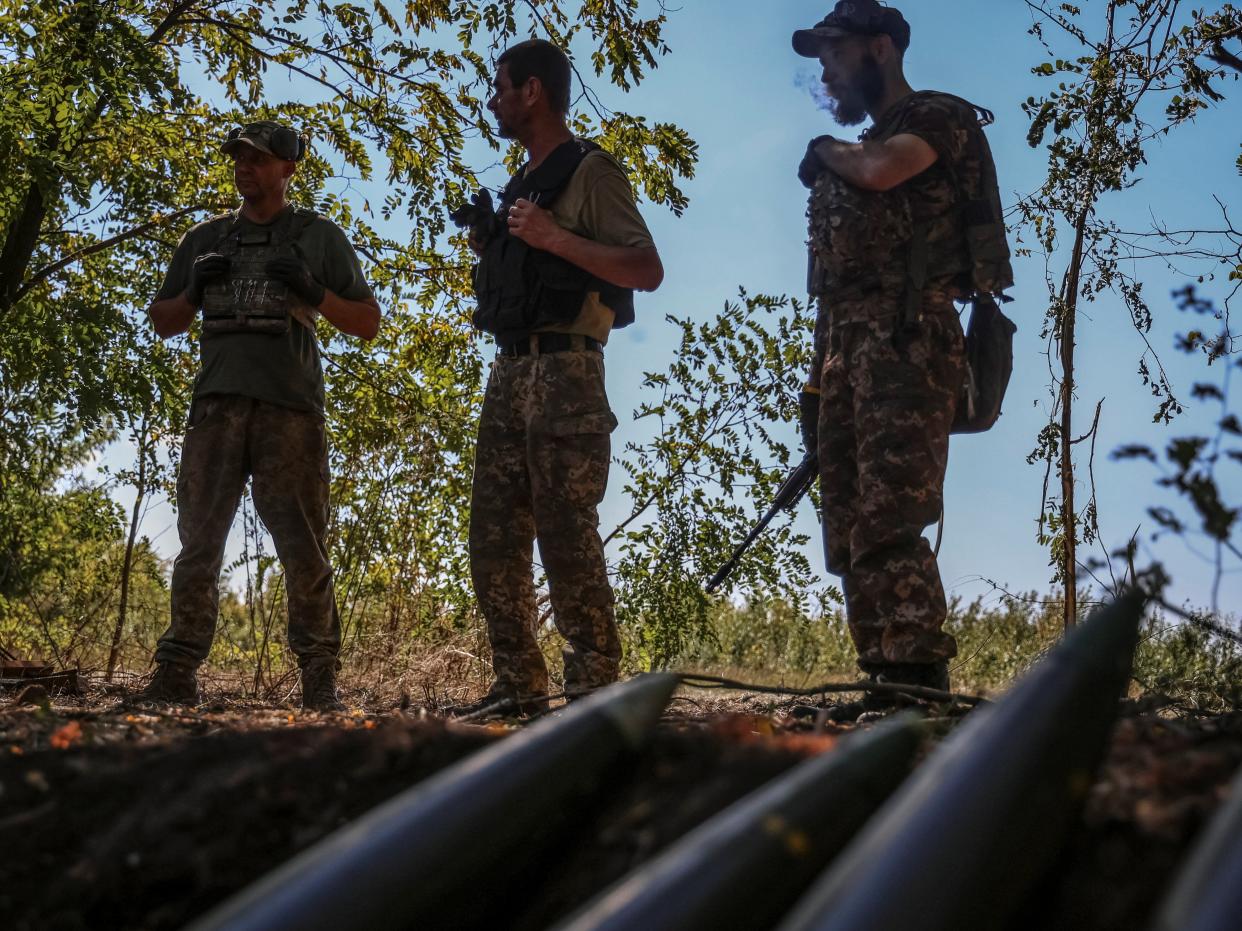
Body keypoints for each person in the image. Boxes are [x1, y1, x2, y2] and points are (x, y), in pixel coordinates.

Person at [792, 1, 1013, 704]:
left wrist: (825, 149)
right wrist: (817, 380)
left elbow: (885, 170)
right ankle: (883, 674)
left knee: (890, 515)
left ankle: (917, 676)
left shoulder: (936, 120)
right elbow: (835, 279)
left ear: (879, 49)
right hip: (846, 346)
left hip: (908, 341)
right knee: (848, 522)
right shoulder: (864, 144)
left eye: (834, 51)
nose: (825, 68)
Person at [134, 120, 381, 711]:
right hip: (217, 408)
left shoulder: (318, 239)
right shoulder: (205, 240)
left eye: (259, 158)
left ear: (288, 168)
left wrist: (313, 291)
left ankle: (319, 676)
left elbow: (367, 323)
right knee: (199, 542)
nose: (245, 166)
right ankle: (177, 671)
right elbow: (162, 321)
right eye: (239, 157)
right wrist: (192, 291)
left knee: (303, 546)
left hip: (290, 409)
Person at [456, 39, 663, 713]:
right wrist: (499, 244)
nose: (493, 100)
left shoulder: (591, 171)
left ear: (533, 92)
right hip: (509, 372)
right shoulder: (523, 183)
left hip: (568, 370)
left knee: (566, 534)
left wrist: (551, 237)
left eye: (500, 87)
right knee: (492, 535)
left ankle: (593, 690)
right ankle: (517, 685)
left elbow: (645, 268)